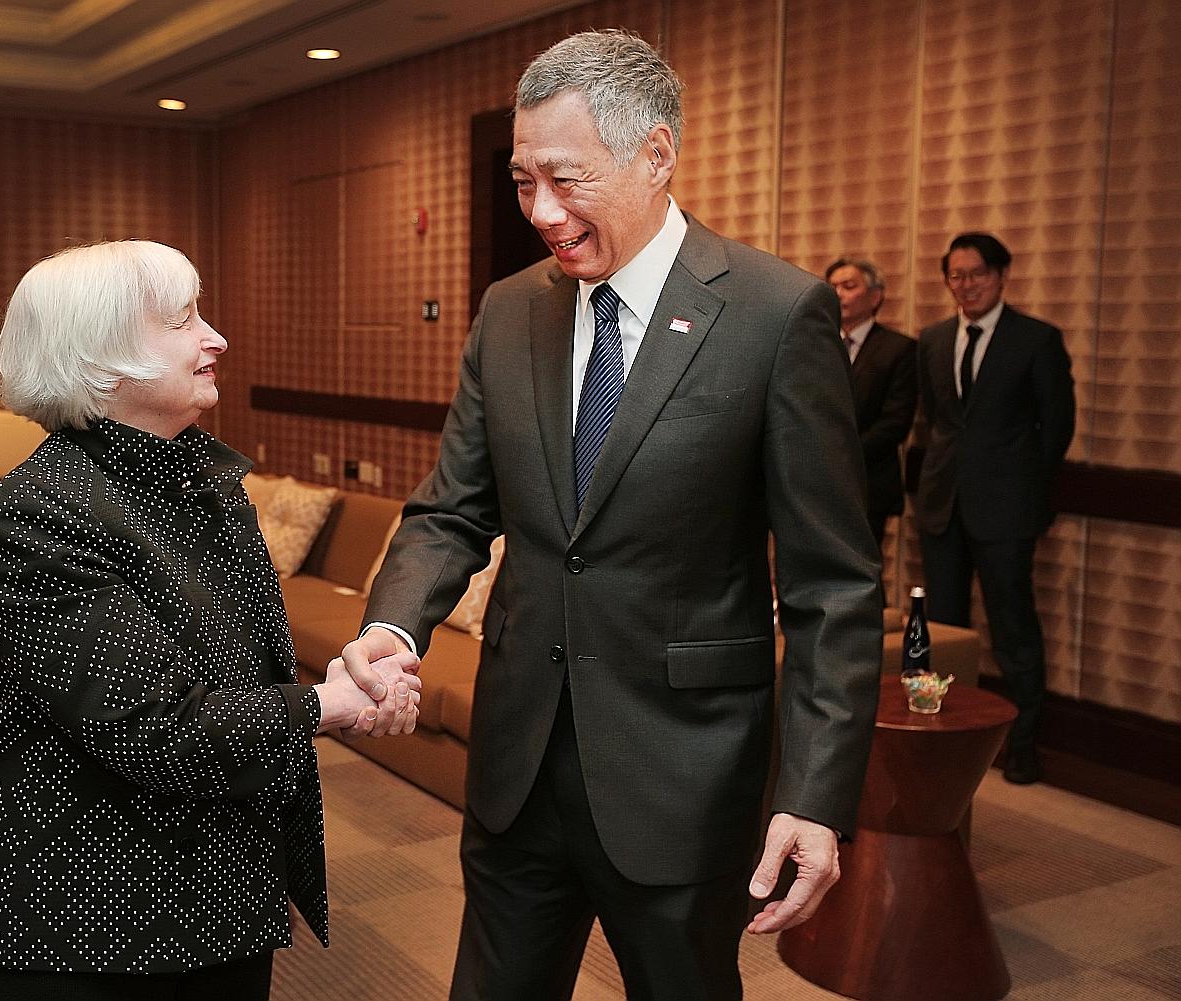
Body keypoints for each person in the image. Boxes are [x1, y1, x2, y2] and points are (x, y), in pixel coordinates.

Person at [341, 30, 882, 1001]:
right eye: (521, 182)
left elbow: (832, 585)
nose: (542, 212)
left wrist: (814, 795)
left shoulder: (773, 314)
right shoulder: (509, 311)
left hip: (682, 775)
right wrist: (391, 624)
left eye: (565, 179)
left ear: (656, 154)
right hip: (516, 768)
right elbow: (450, 510)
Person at [0, 240, 421, 1000]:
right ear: (102, 357)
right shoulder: (44, 509)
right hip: (83, 924)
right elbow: (157, 731)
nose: (216, 339)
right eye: (182, 321)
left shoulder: (202, 476)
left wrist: (338, 676)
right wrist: (327, 705)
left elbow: (237, 667)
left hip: (215, 896)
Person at [916, 232, 1075, 785]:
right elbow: (933, 420)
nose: (966, 286)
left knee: (1012, 627)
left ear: (1001, 275)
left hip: (1007, 511)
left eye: (977, 274)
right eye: (956, 276)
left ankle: (1025, 745)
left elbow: (1056, 431)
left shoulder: (1036, 340)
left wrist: (1026, 491)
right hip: (942, 506)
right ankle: (943, 738)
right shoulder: (934, 339)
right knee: (943, 629)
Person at [825, 257, 917, 547]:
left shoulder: (898, 348)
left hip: (868, 481)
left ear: (875, 296)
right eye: (832, 287)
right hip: (816, 482)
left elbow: (895, 422)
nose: (838, 293)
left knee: (862, 572)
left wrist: (840, 455)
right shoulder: (817, 344)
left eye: (849, 286)